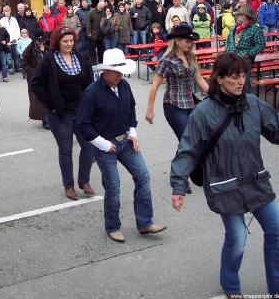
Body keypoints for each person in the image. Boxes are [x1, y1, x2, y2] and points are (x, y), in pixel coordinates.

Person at [170, 52, 279, 298]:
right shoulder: (203, 112)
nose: (241, 81)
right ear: (219, 79)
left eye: (243, 76)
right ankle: (231, 286)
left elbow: (276, 129)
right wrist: (178, 186)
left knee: (277, 230)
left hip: (256, 182)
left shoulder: (253, 104)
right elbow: (187, 150)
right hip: (224, 187)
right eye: (234, 77)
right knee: (238, 238)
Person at [77, 49, 167, 243]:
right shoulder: (92, 92)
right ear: (105, 71)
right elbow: (82, 124)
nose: (119, 75)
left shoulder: (124, 85)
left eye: (121, 71)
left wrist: (132, 133)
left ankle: (145, 223)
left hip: (125, 141)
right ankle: (112, 226)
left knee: (143, 177)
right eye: (115, 71)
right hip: (105, 146)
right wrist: (102, 144)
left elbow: (131, 111)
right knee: (113, 188)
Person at [31, 27, 94, 201]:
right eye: (65, 41)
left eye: (71, 41)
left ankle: (84, 181)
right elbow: (36, 83)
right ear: (57, 42)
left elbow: (89, 80)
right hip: (60, 113)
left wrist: (90, 103)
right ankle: (69, 185)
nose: (69, 44)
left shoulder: (80, 58)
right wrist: (51, 105)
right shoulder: (49, 60)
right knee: (66, 149)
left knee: (88, 146)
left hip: (81, 111)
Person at [146, 25, 209, 141]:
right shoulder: (167, 60)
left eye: (191, 42)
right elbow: (155, 85)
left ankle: (181, 159)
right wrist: (150, 109)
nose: (190, 44)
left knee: (194, 141)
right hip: (174, 105)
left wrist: (215, 95)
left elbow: (199, 79)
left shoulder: (190, 57)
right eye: (187, 41)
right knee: (188, 140)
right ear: (177, 41)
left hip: (190, 103)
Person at [225, 6, 265, 91]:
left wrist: (248, 53)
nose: (238, 17)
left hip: (245, 59)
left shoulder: (255, 28)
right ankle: (234, 100)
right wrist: (227, 52)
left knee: (243, 82)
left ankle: (247, 101)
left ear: (248, 17)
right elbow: (228, 40)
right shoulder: (235, 26)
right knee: (232, 80)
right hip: (231, 57)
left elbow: (261, 45)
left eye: (240, 15)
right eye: (238, 15)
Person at [20, 29, 50, 129]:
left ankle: (50, 117)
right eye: (38, 40)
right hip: (35, 78)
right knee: (37, 99)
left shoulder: (47, 46)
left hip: (47, 76)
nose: (40, 42)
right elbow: (24, 64)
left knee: (49, 96)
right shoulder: (30, 49)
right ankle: (44, 119)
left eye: (42, 40)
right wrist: (35, 73)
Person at [0, 5, 21, 74]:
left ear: (10, 11)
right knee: (8, 56)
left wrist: (16, 38)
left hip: (15, 41)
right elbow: (2, 32)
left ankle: (17, 67)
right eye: (6, 11)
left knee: (16, 55)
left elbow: (17, 29)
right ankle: (11, 68)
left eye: (8, 11)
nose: (7, 12)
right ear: (4, 12)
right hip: (7, 41)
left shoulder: (14, 19)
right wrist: (6, 40)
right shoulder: (2, 21)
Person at [86, 0, 106, 64]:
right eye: (99, 6)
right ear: (97, 5)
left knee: (101, 50)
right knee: (92, 50)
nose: (100, 7)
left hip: (100, 34)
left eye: (102, 7)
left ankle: (101, 62)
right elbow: (88, 22)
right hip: (93, 34)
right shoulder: (91, 12)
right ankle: (93, 63)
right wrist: (89, 32)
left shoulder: (103, 12)